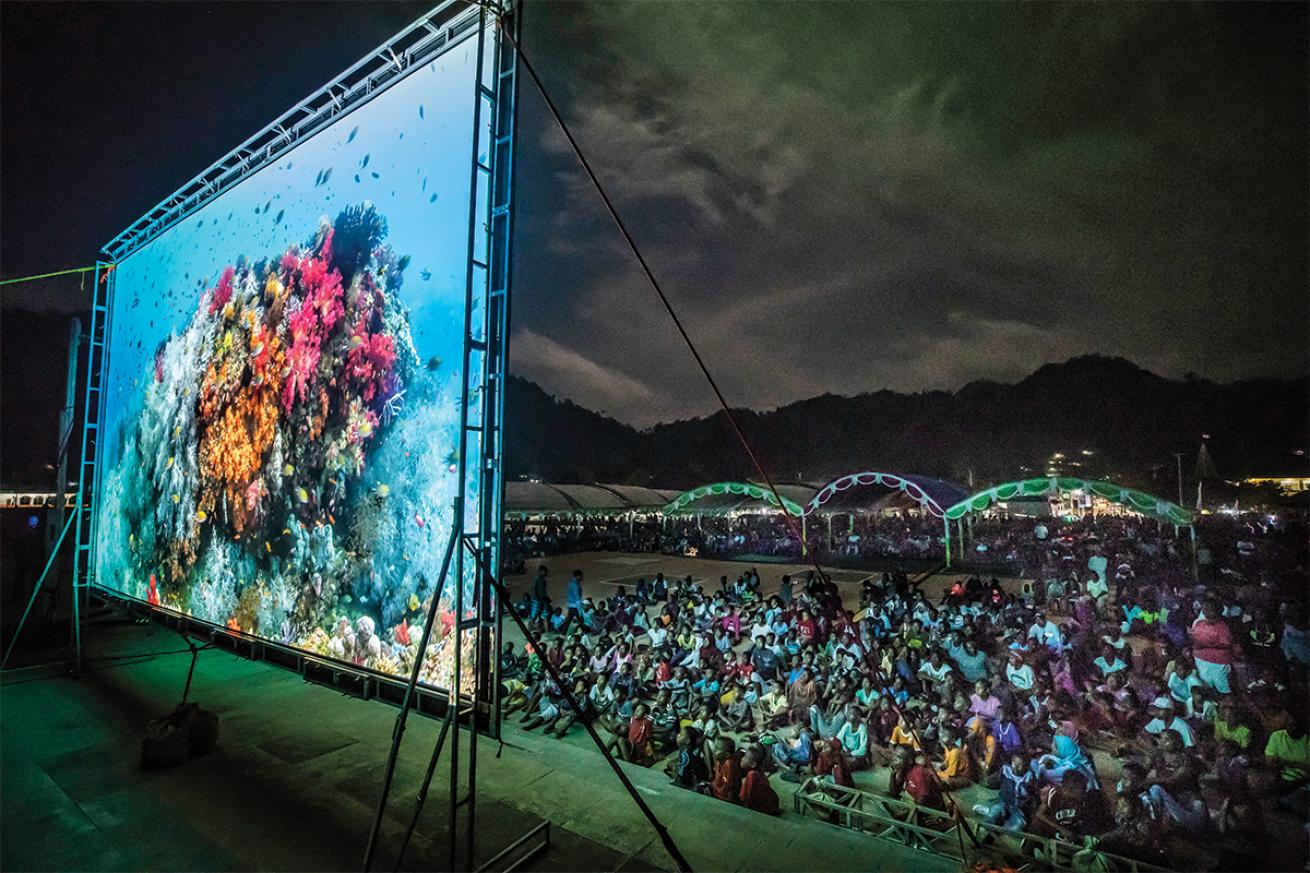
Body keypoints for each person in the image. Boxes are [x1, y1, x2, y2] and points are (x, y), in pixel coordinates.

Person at [738, 747, 780, 815]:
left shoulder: (751, 775)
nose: (742, 759)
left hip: (766, 807)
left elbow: (744, 797)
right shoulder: (759, 771)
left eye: (745, 757)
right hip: (773, 802)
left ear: (753, 764)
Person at [558, 569, 585, 635]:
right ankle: (583, 631)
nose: (582, 577)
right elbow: (577, 597)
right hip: (575, 605)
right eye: (581, 576)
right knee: (580, 618)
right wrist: (580, 609)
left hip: (570, 604)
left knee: (569, 618)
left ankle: (563, 629)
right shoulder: (575, 585)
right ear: (578, 576)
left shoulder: (571, 583)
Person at [529, 566, 550, 630]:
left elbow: (544, 590)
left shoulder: (543, 580)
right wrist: (538, 599)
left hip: (542, 600)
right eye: (545, 571)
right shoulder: (537, 579)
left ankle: (547, 631)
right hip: (537, 600)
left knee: (545, 615)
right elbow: (534, 590)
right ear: (541, 571)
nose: (546, 573)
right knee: (534, 616)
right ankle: (529, 629)